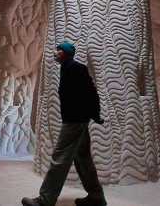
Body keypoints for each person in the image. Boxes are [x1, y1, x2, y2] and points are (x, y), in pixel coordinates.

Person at [22, 41, 107, 206]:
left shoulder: (76, 69)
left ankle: (45, 200)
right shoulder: (66, 69)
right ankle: (97, 198)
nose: (55, 52)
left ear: (67, 53)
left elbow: (91, 93)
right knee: (84, 160)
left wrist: (95, 114)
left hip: (75, 121)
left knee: (59, 159)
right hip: (77, 120)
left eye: (58, 50)